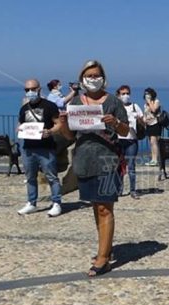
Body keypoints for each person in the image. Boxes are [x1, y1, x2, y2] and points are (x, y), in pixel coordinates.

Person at [59, 60, 129, 277]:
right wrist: (63, 124)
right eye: (89, 76)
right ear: (82, 78)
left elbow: (126, 131)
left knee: (105, 208)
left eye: (96, 75)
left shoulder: (114, 101)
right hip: (84, 161)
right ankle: (103, 248)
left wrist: (116, 123)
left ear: (103, 77)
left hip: (108, 161)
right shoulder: (77, 102)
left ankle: (104, 258)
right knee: (95, 206)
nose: (93, 79)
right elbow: (71, 136)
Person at [16, 79, 63, 217]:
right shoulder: (24, 108)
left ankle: (56, 203)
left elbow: (59, 124)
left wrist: (50, 132)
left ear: (39, 89)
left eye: (33, 89)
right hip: (28, 148)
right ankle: (31, 202)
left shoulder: (50, 106)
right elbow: (20, 123)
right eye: (27, 90)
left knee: (52, 177)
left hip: (46, 148)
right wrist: (19, 128)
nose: (30, 92)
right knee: (30, 176)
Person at [116, 85, 144, 199]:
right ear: (118, 95)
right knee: (119, 167)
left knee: (131, 166)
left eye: (127, 93)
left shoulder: (135, 106)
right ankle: (119, 189)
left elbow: (143, 121)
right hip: (119, 140)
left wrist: (138, 119)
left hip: (131, 139)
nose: (126, 96)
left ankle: (133, 190)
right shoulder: (116, 107)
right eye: (123, 93)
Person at [143, 87, 162, 168]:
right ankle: (152, 159)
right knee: (151, 142)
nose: (147, 95)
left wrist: (149, 102)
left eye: (148, 94)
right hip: (148, 124)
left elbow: (154, 110)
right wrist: (144, 120)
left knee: (154, 141)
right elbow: (145, 114)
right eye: (146, 94)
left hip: (155, 124)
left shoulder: (156, 101)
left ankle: (155, 160)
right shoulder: (145, 104)